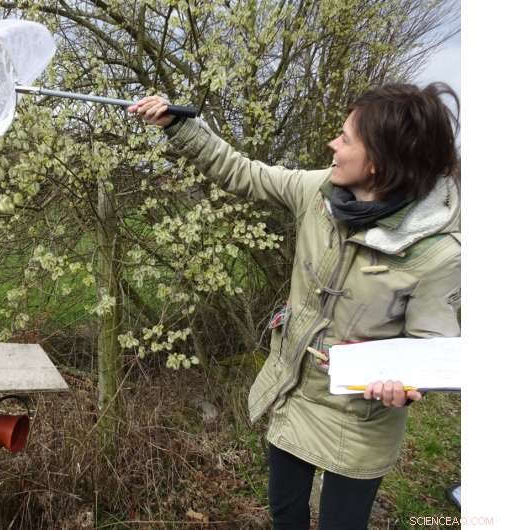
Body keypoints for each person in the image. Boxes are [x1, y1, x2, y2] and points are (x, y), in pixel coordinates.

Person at [128, 83, 460, 529]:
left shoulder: (437, 252)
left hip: (360, 422)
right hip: (293, 392)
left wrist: (404, 384)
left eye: (345, 139)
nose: (332, 145)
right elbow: (241, 172)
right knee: (286, 513)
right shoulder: (319, 193)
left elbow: (433, 352)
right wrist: (177, 125)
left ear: (378, 163)